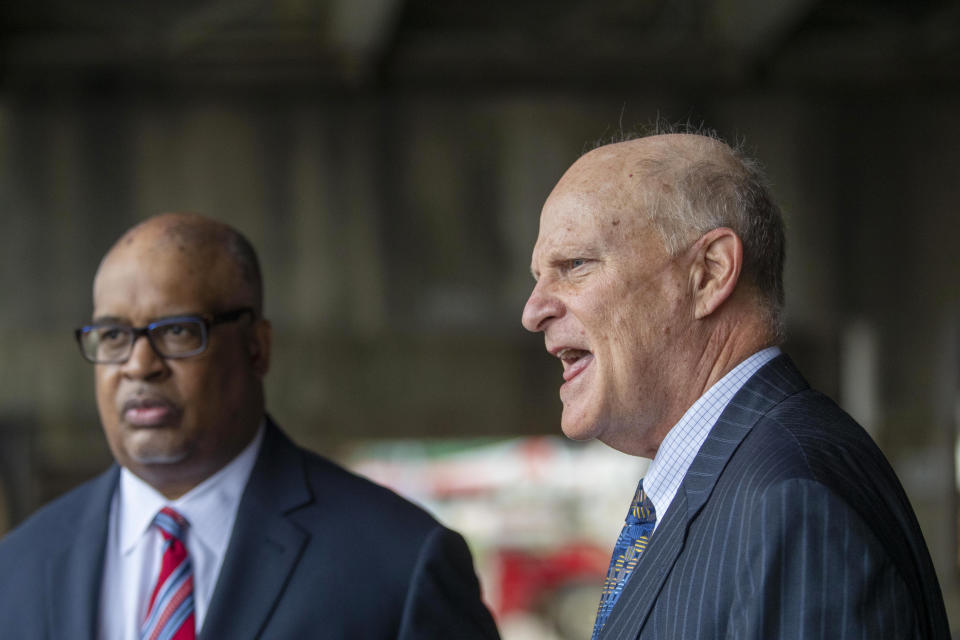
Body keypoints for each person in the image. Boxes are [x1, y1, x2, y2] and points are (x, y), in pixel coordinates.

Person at [521, 133, 950, 639]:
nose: (533, 312)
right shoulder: (740, 480)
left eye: (574, 265)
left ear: (710, 273)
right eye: (537, 276)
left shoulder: (791, 501)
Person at [0, 212, 500, 639]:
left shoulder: (401, 563)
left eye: (176, 330)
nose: (138, 365)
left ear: (257, 347)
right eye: (112, 336)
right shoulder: (17, 568)